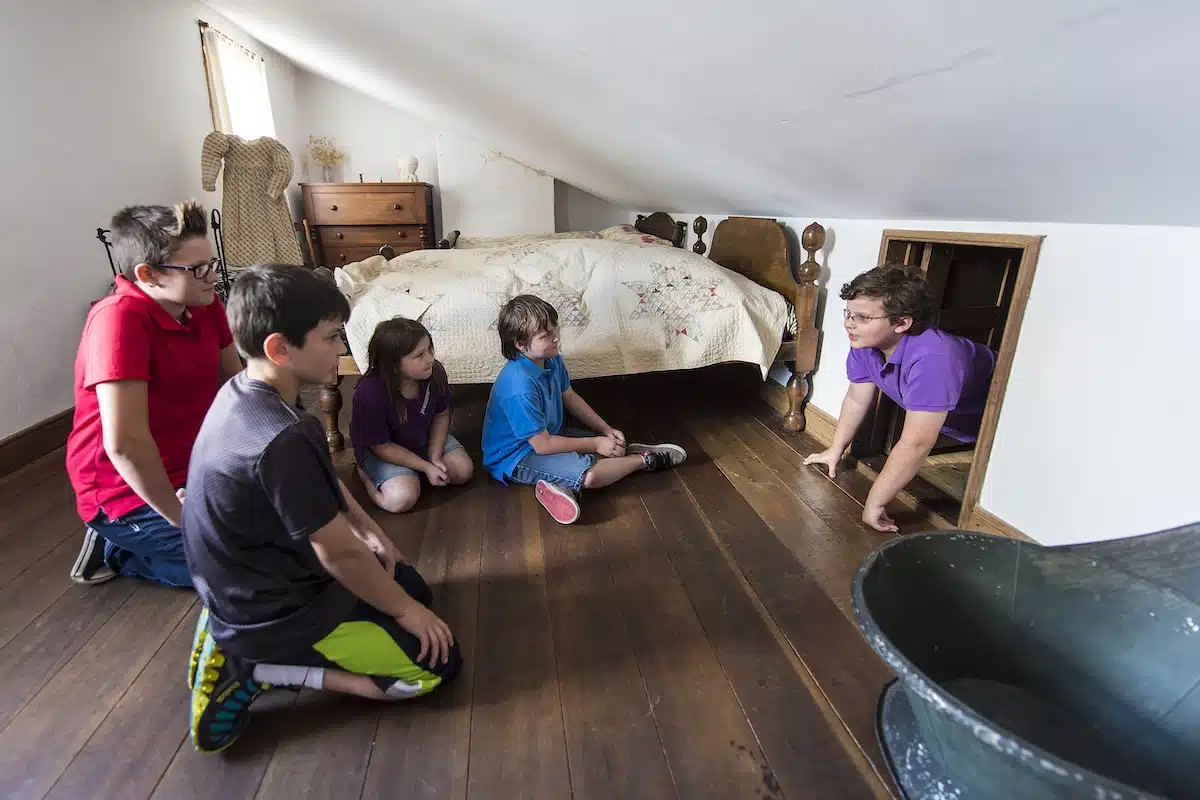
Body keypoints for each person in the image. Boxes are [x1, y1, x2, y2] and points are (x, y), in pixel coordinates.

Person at [182, 264, 461, 754]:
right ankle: (259, 667)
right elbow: (338, 554)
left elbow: (324, 484)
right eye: (332, 337)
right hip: (278, 607)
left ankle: (234, 634)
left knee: (412, 586)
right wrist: (405, 612)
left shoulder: (249, 393)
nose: (340, 349)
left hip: (249, 583)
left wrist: (372, 533)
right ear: (280, 348)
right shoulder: (283, 436)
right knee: (435, 666)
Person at [65, 202, 243, 587]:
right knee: (241, 569)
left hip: (193, 468)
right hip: (124, 489)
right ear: (147, 274)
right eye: (198, 269)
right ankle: (117, 549)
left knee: (279, 538)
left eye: (212, 264)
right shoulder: (118, 319)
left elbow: (237, 384)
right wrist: (182, 518)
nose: (214, 277)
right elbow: (125, 445)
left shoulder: (204, 302)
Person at [804, 264, 996, 532]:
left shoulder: (934, 360)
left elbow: (916, 442)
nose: (849, 323)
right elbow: (857, 398)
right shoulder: (864, 342)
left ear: (902, 323)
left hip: (997, 428)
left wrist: (875, 503)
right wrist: (836, 449)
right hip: (954, 422)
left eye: (863, 317)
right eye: (848, 313)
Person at [481, 294, 687, 525]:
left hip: (551, 435)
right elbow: (542, 445)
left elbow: (570, 397)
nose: (556, 337)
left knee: (613, 449)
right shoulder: (519, 388)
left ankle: (564, 484)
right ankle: (644, 460)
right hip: (517, 456)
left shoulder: (550, 359)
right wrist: (596, 443)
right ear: (520, 344)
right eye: (545, 335)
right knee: (591, 476)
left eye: (555, 328)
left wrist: (605, 430)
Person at [350, 318, 474, 513]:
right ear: (393, 364)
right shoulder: (369, 393)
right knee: (401, 499)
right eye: (419, 355)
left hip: (421, 439)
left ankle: (413, 474)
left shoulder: (435, 373)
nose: (430, 359)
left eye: (429, 350)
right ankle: (365, 474)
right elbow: (381, 447)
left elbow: (441, 415)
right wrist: (426, 467)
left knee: (463, 471)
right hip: (382, 451)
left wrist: (434, 456)